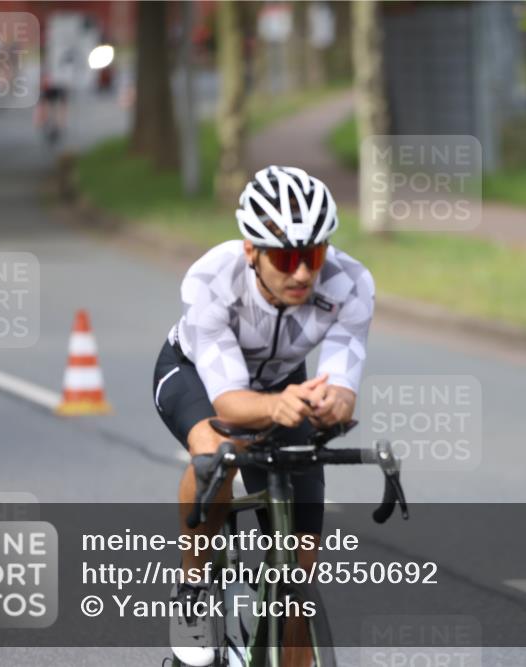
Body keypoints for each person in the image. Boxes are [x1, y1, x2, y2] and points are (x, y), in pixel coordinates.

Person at [153, 165, 375, 665]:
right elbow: (230, 401)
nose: (302, 273)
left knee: (299, 583)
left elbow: (342, 386)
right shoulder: (212, 279)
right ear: (251, 249)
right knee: (213, 454)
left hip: (282, 388)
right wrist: (277, 405)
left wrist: (331, 404)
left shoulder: (351, 284)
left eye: (313, 256)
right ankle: (192, 588)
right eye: (286, 257)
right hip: (195, 378)